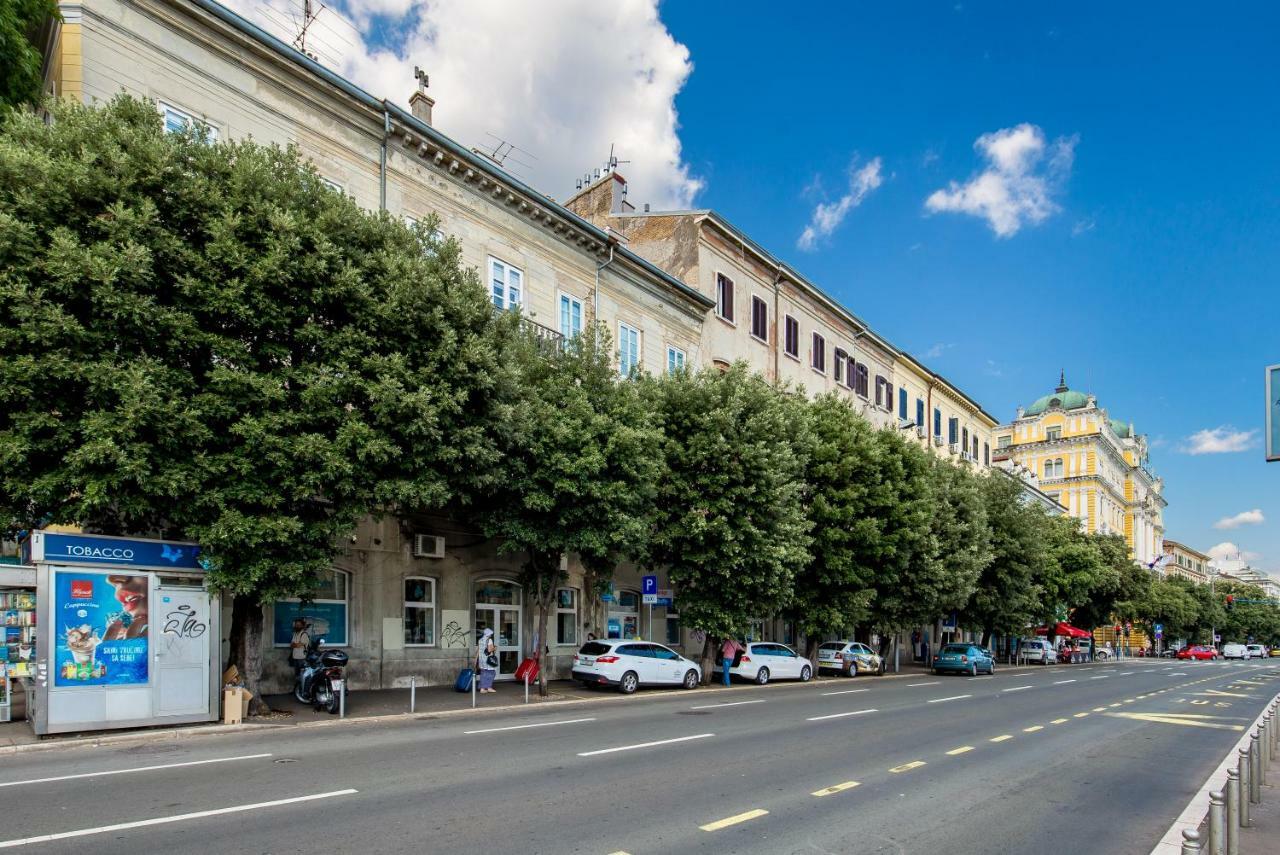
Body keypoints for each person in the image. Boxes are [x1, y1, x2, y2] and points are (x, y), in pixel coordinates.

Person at [477, 628, 498, 693]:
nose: (491, 635)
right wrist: (495, 648)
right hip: (488, 660)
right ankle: (489, 687)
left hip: (481, 660)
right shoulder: (489, 640)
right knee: (492, 673)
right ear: (488, 634)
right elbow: (489, 650)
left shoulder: (480, 640)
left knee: (483, 673)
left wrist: (476, 659)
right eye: (490, 634)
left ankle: (482, 688)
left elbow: (478, 650)